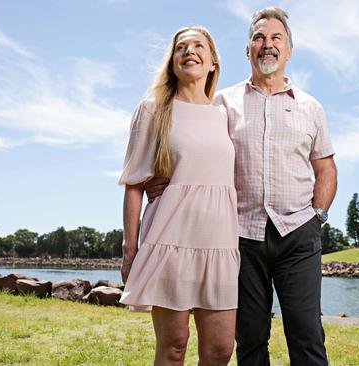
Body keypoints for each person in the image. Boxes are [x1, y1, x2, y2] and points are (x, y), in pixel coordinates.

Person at [145, 7, 337, 366]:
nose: (267, 45)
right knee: (249, 335)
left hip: (298, 233)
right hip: (239, 236)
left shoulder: (312, 107)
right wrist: (165, 177)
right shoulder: (221, 104)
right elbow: (193, 146)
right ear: (247, 49)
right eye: (259, 38)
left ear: (289, 50)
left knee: (306, 332)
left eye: (276, 38)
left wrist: (318, 216)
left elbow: (325, 168)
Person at [118, 26, 239, 366]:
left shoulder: (224, 113)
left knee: (220, 350)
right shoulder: (153, 109)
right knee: (174, 345)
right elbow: (133, 182)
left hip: (220, 244)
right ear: (172, 62)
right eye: (181, 48)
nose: (190, 51)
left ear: (213, 61)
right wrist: (130, 250)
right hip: (170, 240)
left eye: (199, 46)